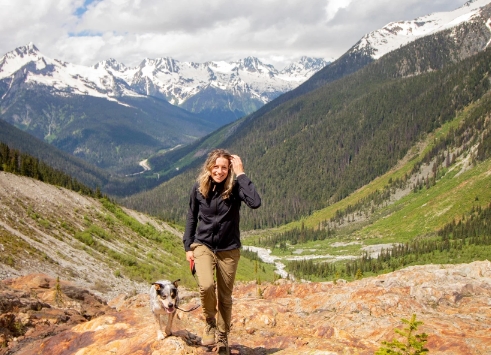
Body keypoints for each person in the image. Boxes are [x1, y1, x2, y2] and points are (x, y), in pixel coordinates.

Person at [183, 149, 261, 354]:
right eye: (215, 167)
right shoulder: (198, 188)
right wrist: (187, 246)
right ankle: (210, 321)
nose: (219, 171)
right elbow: (192, 217)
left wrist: (241, 174)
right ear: (209, 167)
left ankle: (223, 337)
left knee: (225, 297)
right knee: (207, 285)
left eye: (224, 168)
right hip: (203, 245)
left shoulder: (235, 187)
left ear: (230, 169)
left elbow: (255, 202)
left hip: (229, 249)